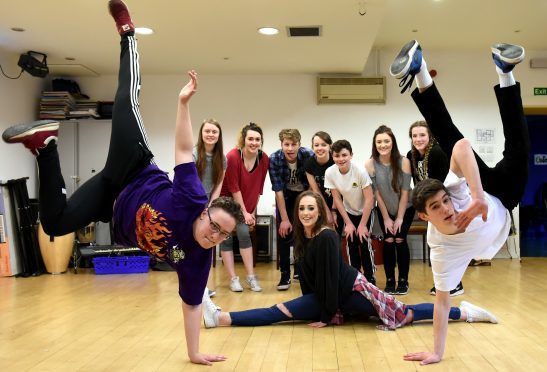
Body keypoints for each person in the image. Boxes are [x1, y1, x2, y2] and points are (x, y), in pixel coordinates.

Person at [2, 1, 244, 365]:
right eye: (214, 226)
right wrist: (183, 103)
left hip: (110, 203)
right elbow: (181, 148)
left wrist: (193, 353)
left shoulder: (198, 259)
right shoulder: (192, 195)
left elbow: (192, 306)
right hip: (132, 166)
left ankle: (46, 146)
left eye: (222, 235)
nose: (214, 236)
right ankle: (128, 34)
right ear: (205, 212)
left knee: (54, 223)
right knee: (125, 99)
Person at [390, 40, 528, 364]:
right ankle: (504, 73)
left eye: (444, 202)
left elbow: (463, 146)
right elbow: (441, 302)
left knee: (447, 135)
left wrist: (477, 197)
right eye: (437, 208)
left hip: (489, 194)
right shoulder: (440, 250)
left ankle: (421, 70)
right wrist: (437, 352)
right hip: (506, 201)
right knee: (519, 147)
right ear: (424, 217)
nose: (447, 209)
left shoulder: (455, 195)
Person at [201, 191, 498, 332]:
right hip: (329, 297)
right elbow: (307, 277)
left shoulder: (328, 236)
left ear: (319, 211)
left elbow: (331, 278)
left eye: (311, 208)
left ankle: (464, 313)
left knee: (405, 313)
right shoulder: (301, 238)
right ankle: (222, 318)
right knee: (279, 311)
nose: (306, 213)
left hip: (353, 293)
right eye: (301, 208)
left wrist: (326, 316)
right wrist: (314, 304)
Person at [407, 121, 464, 296]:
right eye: (414, 136)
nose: (418, 139)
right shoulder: (412, 155)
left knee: (447, 244)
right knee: (437, 244)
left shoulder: (437, 153)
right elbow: (418, 183)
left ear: (429, 136)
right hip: (430, 208)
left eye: (422, 135)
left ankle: (455, 284)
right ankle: (444, 284)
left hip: (445, 204)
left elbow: (442, 185)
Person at [219, 122, 269, 292]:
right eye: (250, 139)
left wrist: (252, 212)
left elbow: (258, 189)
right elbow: (234, 187)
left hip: (246, 204)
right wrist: (244, 212)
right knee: (226, 237)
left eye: (257, 139)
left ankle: (251, 277)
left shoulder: (264, 158)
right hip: (226, 202)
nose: (254, 142)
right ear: (243, 139)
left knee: (244, 234)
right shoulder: (232, 156)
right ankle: (233, 279)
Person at [365, 125, 414, 295]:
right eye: (379, 141)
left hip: (405, 208)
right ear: (374, 143)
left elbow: (406, 192)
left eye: (386, 141)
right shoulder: (370, 164)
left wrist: (399, 218)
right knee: (388, 240)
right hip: (384, 209)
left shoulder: (404, 162)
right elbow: (376, 194)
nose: (383, 145)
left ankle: (403, 280)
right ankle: (390, 280)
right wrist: (386, 218)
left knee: (399, 239)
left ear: (392, 142)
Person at [269, 129, 314, 290]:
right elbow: (278, 191)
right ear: (281, 145)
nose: (290, 148)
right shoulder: (274, 159)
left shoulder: (308, 155)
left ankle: (300, 270)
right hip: (285, 196)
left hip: (304, 194)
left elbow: (311, 185)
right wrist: (285, 219)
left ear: (299, 145)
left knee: (303, 231)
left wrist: (307, 207)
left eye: (293, 144)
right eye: (286, 144)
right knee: (284, 232)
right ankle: (285, 274)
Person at [304, 131, 344, 231]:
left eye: (324, 145)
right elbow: (316, 190)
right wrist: (326, 211)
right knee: (321, 232)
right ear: (312, 147)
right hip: (321, 201)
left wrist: (333, 211)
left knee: (335, 232)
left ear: (330, 146)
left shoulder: (335, 161)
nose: (320, 148)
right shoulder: (309, 164)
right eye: (316, 145)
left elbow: (337, 190)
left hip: (338, 200)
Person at [193, 119, 226, 203]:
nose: (211, 134)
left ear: (219, 135)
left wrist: (211, 206)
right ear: (201, 134)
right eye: (207, 131)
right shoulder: (193, 155)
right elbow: (189, 184)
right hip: (192, 200)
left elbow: (218, 185)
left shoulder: (223, 159)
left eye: (214, 132)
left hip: (208, 201)